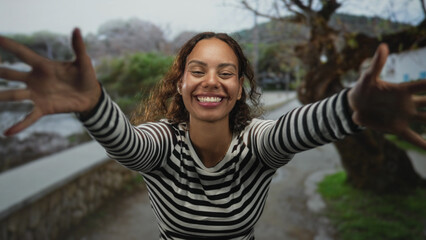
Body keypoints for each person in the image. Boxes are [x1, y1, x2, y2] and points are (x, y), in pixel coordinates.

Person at [0, 28, 425, 239]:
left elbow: (293, 131)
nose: (211, 81)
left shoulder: (257, 143)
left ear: (239, 88)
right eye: (197, 71)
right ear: (181, 84)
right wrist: (93, 105)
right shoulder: (163, 144)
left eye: (226, 73)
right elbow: (128, 145)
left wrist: (350, 107)